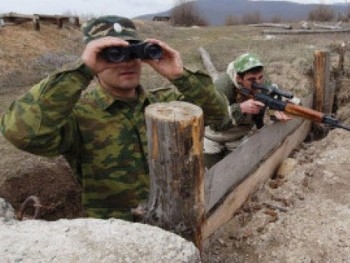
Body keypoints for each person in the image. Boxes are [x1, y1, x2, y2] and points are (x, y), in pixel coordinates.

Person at [0, 16, 230, 220]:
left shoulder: (165, 104)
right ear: (94, 58)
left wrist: (180, 75)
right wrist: (82, 70)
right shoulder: (78, 116)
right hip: (116, 237)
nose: (127, 61)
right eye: (113, 54)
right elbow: (20, 133)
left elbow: (220, 114)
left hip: (174, 220)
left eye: (133, 52)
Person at [204, 53, 293, 169]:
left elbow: (270, 105)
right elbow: (214, 122)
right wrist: (240, 109)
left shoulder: (264, 84)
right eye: (251, 79)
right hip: (213, 136)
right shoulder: (221, 88)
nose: (258, 83)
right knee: (211, 171)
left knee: (234, 172)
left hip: (238, 137)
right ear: (239, 78)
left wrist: (274, 113)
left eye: (260, 77)